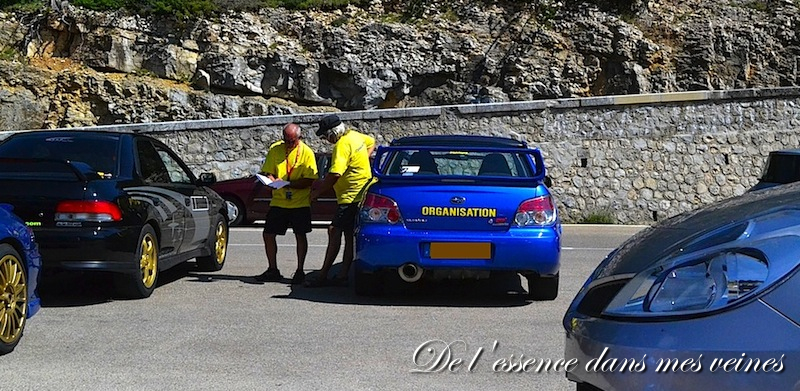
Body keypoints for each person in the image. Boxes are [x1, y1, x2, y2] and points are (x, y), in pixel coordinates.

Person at [306, 114, 375, 287]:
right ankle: (343, 274)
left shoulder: (342, 145)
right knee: (348, 235)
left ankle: (323, 276)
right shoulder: (356, 136)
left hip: (350, 198)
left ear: (333, 133)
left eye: (325, 136)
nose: (325, 140)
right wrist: (362, 161)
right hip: (360, 194)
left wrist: (317, 193)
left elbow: (335, 174)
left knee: (333, 231)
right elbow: (371, 142)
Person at [254, 123, 318, 285]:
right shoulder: (276, 149)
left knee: (300, 235)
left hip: (299, 202)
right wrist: (272, 179)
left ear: (299, 138)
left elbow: (309, 180)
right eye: (286, 140)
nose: (289, 144)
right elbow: (268, 171)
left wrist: (288, 183)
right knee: (268, 234)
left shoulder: (306, 153)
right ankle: (272, 269)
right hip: (279, 201)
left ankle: (299, 270)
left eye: (292, 141)